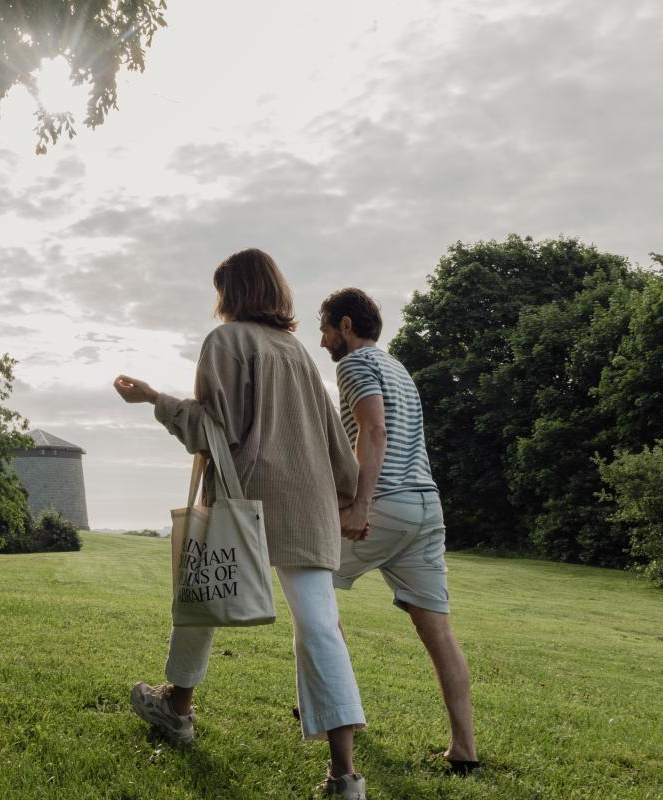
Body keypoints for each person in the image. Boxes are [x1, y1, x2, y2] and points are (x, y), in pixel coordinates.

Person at [113, 248, 370, 798]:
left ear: (232, 292)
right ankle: (345, 775)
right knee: (321, 630)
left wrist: (154, 400)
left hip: (244, 497)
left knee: (203, 590)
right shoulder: (298, 353)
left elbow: (212, 430)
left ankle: (177, 709)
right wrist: (349, 498)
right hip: (310, 505)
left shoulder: (224, 342)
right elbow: (334, 441)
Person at [317, 287, 479, 775]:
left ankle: (340, 710)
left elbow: (374, 431)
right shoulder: (399, 369)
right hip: (426, 508)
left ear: (346, 325)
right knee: (439, 631)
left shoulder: (354, 364)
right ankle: (464, 751)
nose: (322, 341)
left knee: (312, 589)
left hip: (383, 506)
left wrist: (361, 504)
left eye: (325, 329)